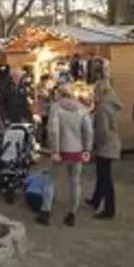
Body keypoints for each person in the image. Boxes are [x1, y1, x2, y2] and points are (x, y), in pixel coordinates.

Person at [37, 80, 93, 227]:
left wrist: (55, 150)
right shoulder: (82, 108)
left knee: (51, 180)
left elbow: (53, 129)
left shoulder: (56, 107)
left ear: (59, 94)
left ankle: (46, 212)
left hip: (61, 150)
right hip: (77, 151)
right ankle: (71, 215)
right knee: (75, 182)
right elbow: (88, 130)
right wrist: (87, 149)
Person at [86, 76, 122, 220]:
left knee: (105, 178)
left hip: (105, 146)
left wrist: (95, 144)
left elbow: (103, 131)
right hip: (112, 143)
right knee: (102, 176)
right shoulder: (111, 105)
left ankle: (109, 209)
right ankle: (96, 200)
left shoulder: (102, 108)